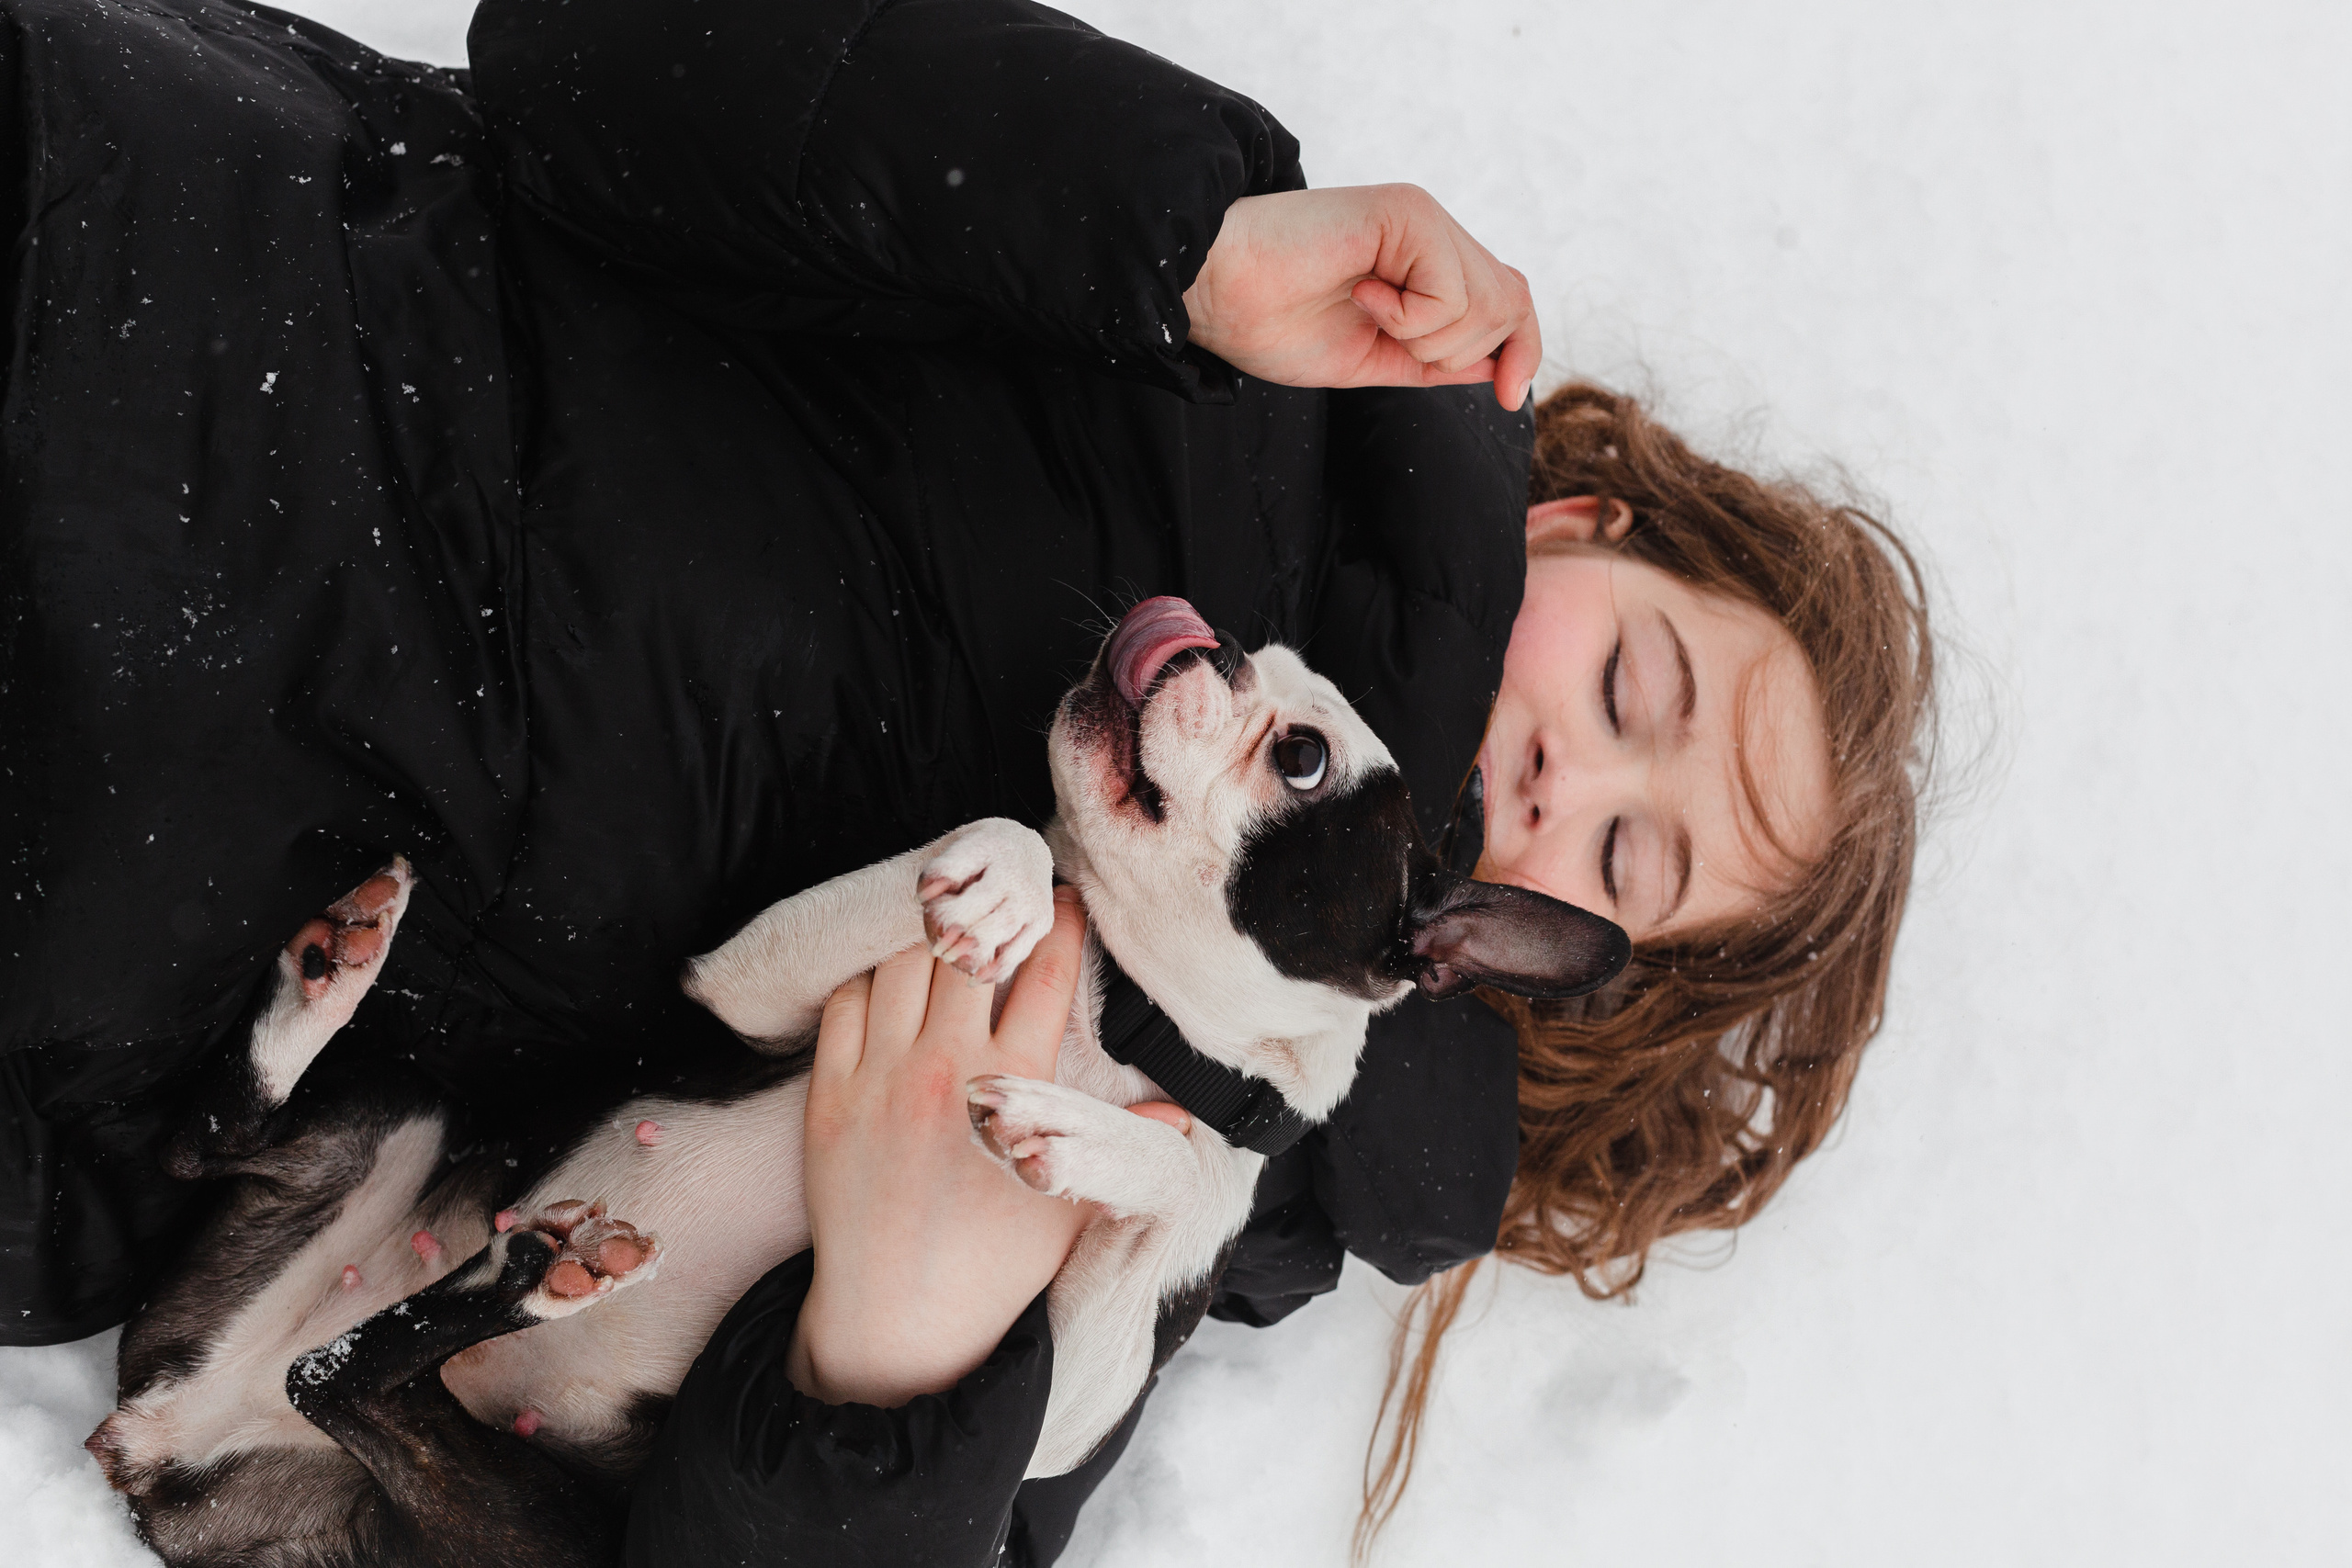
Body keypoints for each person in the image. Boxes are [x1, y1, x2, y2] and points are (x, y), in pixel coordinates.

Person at [0, 0, 1930, 1562]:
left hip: (77, 942)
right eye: (1626, 676)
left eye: (1621, 844)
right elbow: (586, 68)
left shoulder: (1209, 1168)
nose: (1554, 761)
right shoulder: (1221, 355)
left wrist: (887, 1370)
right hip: (154, 278)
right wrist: (1165, 243)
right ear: (1573, 520)